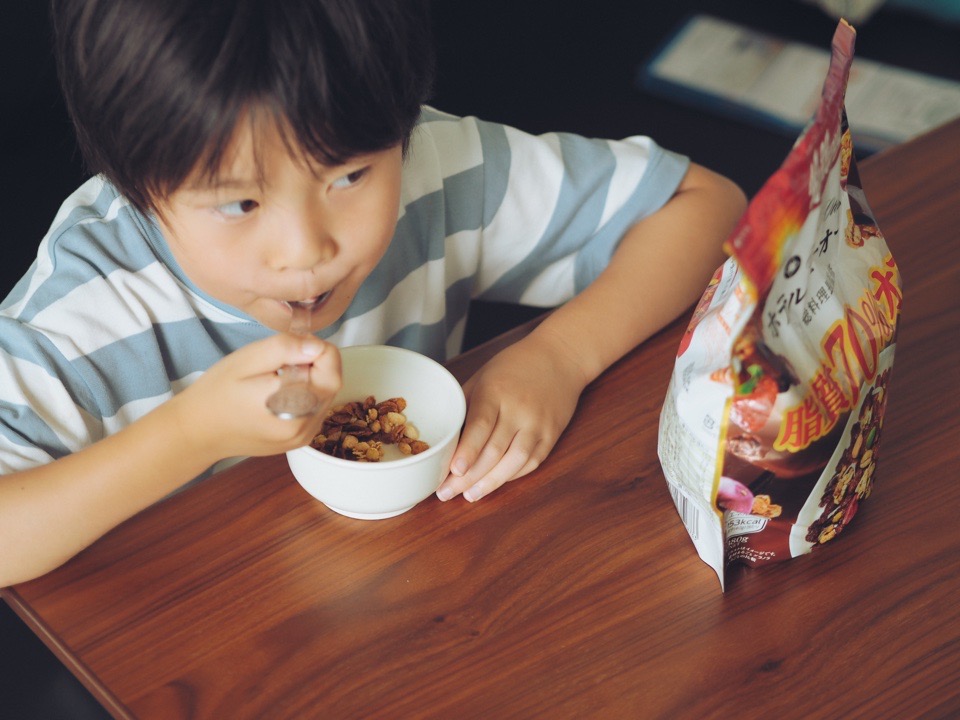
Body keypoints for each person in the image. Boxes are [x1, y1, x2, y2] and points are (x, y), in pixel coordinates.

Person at [0, 0, 746, 586]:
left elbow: (707, 208)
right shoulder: (85, 308)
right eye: (239, 205)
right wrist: (188, 435)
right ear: (136, 184)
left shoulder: (438, 169)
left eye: (350, 177)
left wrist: (559, 355)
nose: (308, 251)